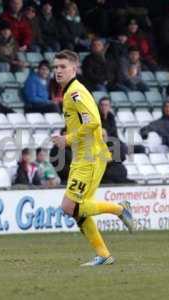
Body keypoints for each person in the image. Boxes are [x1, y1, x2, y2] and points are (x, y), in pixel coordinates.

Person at [51, 50, 133, 266]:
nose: (58, 71)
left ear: (74, 68)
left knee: (70, 208)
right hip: (84, 156)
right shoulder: (70, 92)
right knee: (77, 210)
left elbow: (93, 122)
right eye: (55, 67)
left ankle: (120, 209)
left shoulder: (75, 93)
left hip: (89, 157)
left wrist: (66, 139)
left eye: (62, 67)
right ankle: (104, 255)